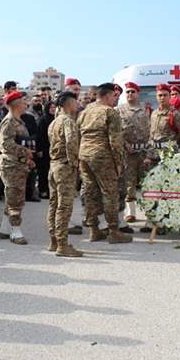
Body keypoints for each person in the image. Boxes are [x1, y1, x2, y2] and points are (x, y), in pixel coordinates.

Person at [77, 83, 131, 243]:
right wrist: (119, 162)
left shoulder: (86, 111)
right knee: (110, 193)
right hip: (102, 156)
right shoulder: (110, 112)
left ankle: (94, 230)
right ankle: (114, 231)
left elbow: (78, 134)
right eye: (114, 96)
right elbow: (115, 140)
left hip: (84, 155)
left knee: (90, 193)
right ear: (107, 95)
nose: (115, 99)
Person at [47, 92, 84, 257]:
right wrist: (74, 163)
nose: (77, 105)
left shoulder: (54, 122)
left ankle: (54, 241)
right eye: (75, 102)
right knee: (64, 206)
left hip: (54, 166)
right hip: (65, 167)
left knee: (54, 204)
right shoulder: (68, 121)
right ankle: (63, 245)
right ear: (69, 104)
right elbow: (71, 143)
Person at [0, 90, 34, 244]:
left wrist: (28, 158)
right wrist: (26, 152)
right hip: (11, 165)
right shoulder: (9, 122)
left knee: (12, 197)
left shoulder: (19, 121)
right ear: (17, 104)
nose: (26, 104)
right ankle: (15, 231)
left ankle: (5, 229)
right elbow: (5, 144)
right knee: (16, 199)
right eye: (24, 101)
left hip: (19, 164)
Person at [117, 82, 150, 222]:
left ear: (138, 94)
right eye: (128, 92)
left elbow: (152, 129)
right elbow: (116, 131)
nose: (130, 94)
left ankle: (149, 212)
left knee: (147, 182)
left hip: (144, 152)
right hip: (128, 153)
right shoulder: (119, 110)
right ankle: (130, 212)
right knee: (128, 183)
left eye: (133, 92)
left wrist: (150, 151)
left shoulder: (146, 109)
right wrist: (124, 144)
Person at [149, 84, 180, 155]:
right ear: (156, 97)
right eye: (160, 95)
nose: (162, 97)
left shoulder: (175, 114)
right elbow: (151, 134)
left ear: (170, 96)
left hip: (169, 153)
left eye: (165, 95)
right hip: (154, 152)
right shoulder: (154, 113)